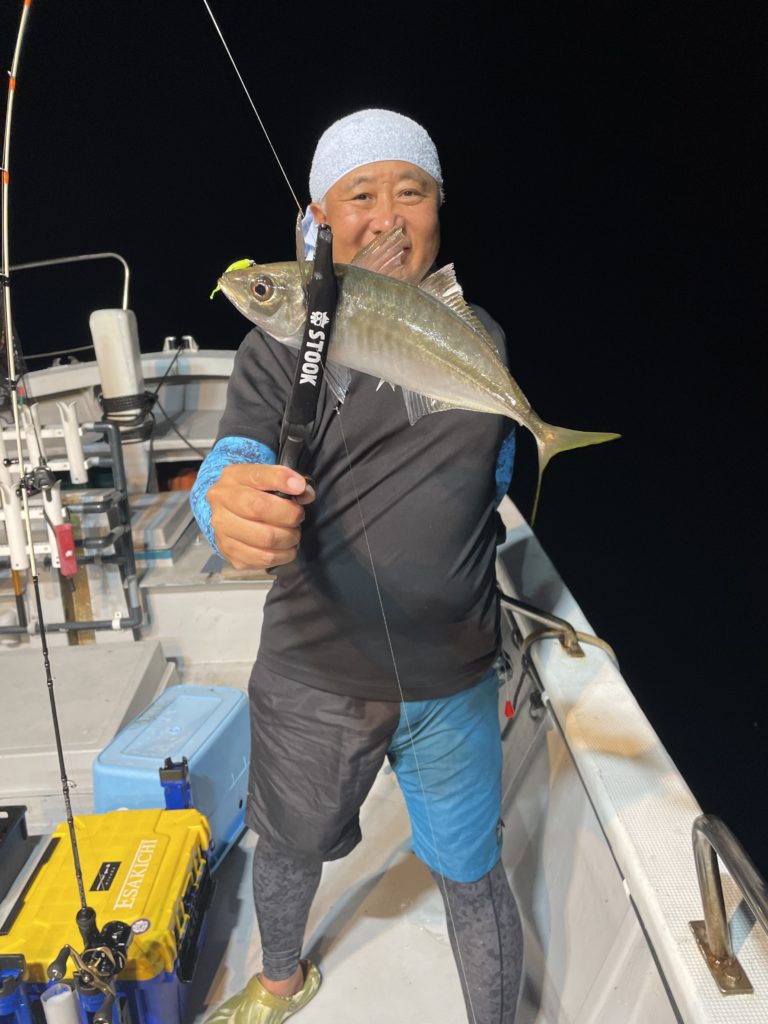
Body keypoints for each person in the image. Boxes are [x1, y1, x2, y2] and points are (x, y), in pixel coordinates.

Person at [191, 108, 523, 1024]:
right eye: (360, 196)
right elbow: (233, 457)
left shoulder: (481, 339)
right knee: (287, 848)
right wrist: (223, 505)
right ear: (318, 221)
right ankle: (279, 981)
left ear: (438, 210)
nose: (388, 218)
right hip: (314, 669)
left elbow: (490, 477)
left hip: (453, 674)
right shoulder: (277, 342)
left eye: (410, 192)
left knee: (473, 873)